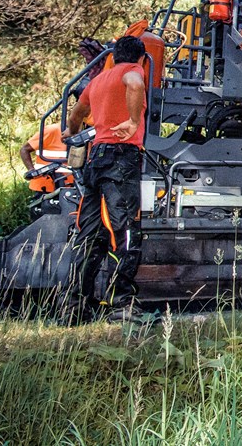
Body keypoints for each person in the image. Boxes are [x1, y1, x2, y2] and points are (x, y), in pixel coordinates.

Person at [62, 35, 148, 321]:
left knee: (90, 235)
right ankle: (121, 305)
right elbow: (135, 84)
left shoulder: (97, 81)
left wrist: (71, 133)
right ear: (139, 58)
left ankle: (75, 307)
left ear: (113, 55)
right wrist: (134, 121)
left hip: (95, 159)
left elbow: (76, 114)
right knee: (125, 232)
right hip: (121, 158)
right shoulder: (133, 72)